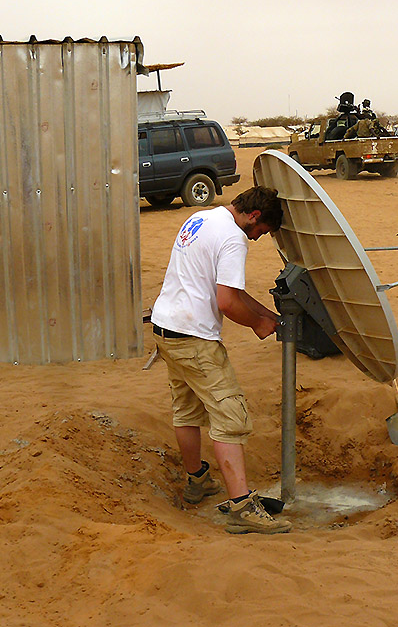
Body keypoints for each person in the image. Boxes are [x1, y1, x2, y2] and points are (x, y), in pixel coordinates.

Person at [150, 186, 292, 535]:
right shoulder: (233, 239)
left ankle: (197, 480)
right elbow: (227, 302)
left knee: (186, 410)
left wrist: (267, 315)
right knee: (230, 417)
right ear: (254, 216)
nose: (258, 238)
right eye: (262, 231)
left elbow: (232, 291)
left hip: (166, 327)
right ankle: (242, 507)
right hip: (195, 338)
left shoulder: (201, 218)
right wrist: (257, 323)